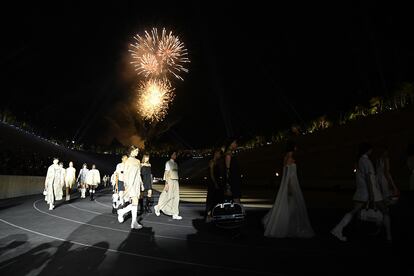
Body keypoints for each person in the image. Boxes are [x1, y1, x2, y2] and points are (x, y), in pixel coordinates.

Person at [331, 142, 392, 242]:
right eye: (371, 149)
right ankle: (388, 235)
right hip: (370, 191)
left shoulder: (360, 160)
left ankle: (338, 229)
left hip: (362, 191)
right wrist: (372, 195)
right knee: (385, 210)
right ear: (368, 150)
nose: (372, 151)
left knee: (353, 211)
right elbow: (369, 179)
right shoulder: (366, 161)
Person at [263, 142, 314, 238]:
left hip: (288, 185)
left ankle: (287, 225)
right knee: (294, 207)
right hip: (292, 185)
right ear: (292, 148)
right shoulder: (290, 159)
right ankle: (290, 227)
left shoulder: (285, 158)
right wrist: (290, 188)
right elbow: (289, 176)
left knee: (289, 206)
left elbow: (285, 174)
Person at [117, 146, 144, 229]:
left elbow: (139, 174)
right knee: (135, 201)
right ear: (131, 151)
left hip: (136, 183)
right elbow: (125, 174)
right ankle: (134, 223)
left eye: (138, 151)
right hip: (130, 183)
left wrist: (141, 184)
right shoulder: (127, 161)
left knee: (135, 203)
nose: (137, 152)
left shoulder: (138, 161)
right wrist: (126, 184)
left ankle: (122, 212)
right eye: (136, 150)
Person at [154, 151, 182, 220]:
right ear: (171, 155)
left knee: (176, 197)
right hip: (170, 180)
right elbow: (166, 173)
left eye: (176, 154)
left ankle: (175, 213)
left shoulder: (176, 164)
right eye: (174, 154)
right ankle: (158, 207)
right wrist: (166, 183)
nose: (175, 155)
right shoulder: (168, 163)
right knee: (168, 196)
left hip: (176, 181)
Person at [205, 148, 223, 222]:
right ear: (215, 153)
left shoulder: (217, 162)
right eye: (219, 153)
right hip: (212, 183)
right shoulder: (212, 162)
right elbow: (212, 174)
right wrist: (215, 183)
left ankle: (213, 214)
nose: (220, 155)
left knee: (215, 199)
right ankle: (208, 216)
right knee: (211, 199)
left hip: (215, 182)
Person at [224, 138, 242, 203]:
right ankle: (239, 211)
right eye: (235, 143)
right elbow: (227, 170)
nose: (236, 144)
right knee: (236, 198)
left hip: (235, 179)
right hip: (233, 180)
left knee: (236, 198)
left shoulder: (231, 154)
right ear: (231, 144)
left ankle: (238, 210)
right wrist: (228, 186)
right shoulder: (228, 155)